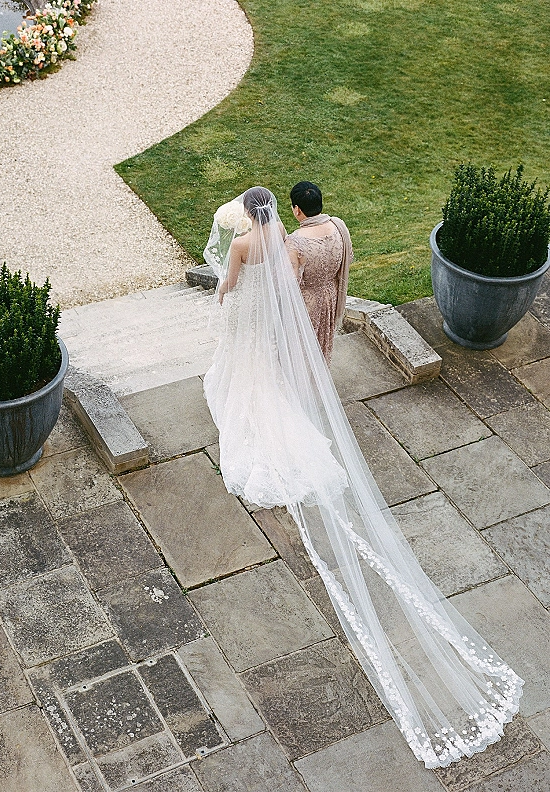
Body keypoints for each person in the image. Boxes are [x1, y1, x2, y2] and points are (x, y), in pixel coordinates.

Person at [203, 187, 523, 769]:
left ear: (257, 214)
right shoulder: (315, 233)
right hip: (328, 306)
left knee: (258, 382)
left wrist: (226, 293)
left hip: (288, 310)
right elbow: (333, 268)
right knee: (294, 375)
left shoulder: (259, 242)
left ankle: (276, 426)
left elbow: (256, 285)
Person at [285, 181, 353, 364]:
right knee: (322, 345)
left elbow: (289, 283)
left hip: (306, 304)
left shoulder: (295, 242)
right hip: (330, 297)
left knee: (300, 350)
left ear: (297, 209)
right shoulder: (338, 226)